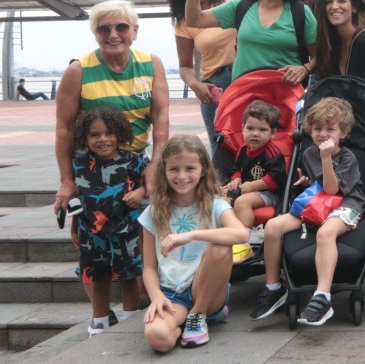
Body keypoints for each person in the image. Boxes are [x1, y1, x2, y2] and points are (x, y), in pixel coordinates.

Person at [169, 0, 287, 146]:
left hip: (249, 73)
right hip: (216, 83)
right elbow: (184, 66)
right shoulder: (185, 23)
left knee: (260, 140)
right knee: (222, 144)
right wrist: (195, 85)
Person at [251, 98, 365, 327]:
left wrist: (326, 159)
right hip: (317, 204)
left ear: (343, 133)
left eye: (330, 129)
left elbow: (334, 189)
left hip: (348, 206)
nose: (322, 134)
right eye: (317, 129)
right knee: (273, 226)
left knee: (325, 234)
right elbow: (321, 185)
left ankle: (322, 296)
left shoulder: (347, 157)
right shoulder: (310, 153)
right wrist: (305, 183)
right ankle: (274, 286)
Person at [54, 0, 169, 215]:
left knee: (141, 231)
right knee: (94, 231)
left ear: (134, 31)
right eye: (104, 29)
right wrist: (67, 181)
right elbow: (64, 129)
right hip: (92, 169)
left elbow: (161, 116)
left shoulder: (151, 64)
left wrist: (156, 164)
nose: (113, 34)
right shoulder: (77, 71)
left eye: (122, 27)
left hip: (135, 163)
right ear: (96, 34)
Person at [141, 134, 247, 352]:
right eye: (174, 169)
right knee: (157, 338)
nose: (182, 176)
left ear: (203, 170)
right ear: (164, 171)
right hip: (172, 292)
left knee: (219, 242)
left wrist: (191, 235)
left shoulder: (215, 205)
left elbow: (241, 235)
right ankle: (186, 321)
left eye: (190, 168)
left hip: (207, 289)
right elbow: (149, 267)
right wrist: (156, 296)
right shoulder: (153, 212)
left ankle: (199, 314)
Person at [184, 0, 318, 85]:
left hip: (284, 97)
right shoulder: (241, 6)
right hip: (244, 95)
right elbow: (194, 19)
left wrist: (305, 68)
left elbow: (320, 57)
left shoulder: (301, 13)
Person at [71, 107, 145, 339]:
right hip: (91, 233)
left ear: (119, 135)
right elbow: (76, 197)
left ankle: (130, 318)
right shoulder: (79, 163)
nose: (103, 139)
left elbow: (150, 185)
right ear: (85, 137)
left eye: (109, 133)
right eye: (95, 134)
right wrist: (74, 227)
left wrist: (140, 192)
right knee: (97, 276)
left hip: (126, 231)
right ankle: (100, 321)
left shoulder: (133, 160)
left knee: (129, 276)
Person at [221, 101, 286, 229]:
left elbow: (275, 178)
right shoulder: (244, 149)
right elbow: (236, 168)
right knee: (218, 194)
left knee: (242, 202)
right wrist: (236, 178)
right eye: (250, 128)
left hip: (268, 194)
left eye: (262, 130)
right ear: (243, 128)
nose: (255, 133)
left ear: (273, 133)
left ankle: (243, 239)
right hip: (246, 188)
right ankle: (225, 230)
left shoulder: (272, 153)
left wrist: (252, 186)